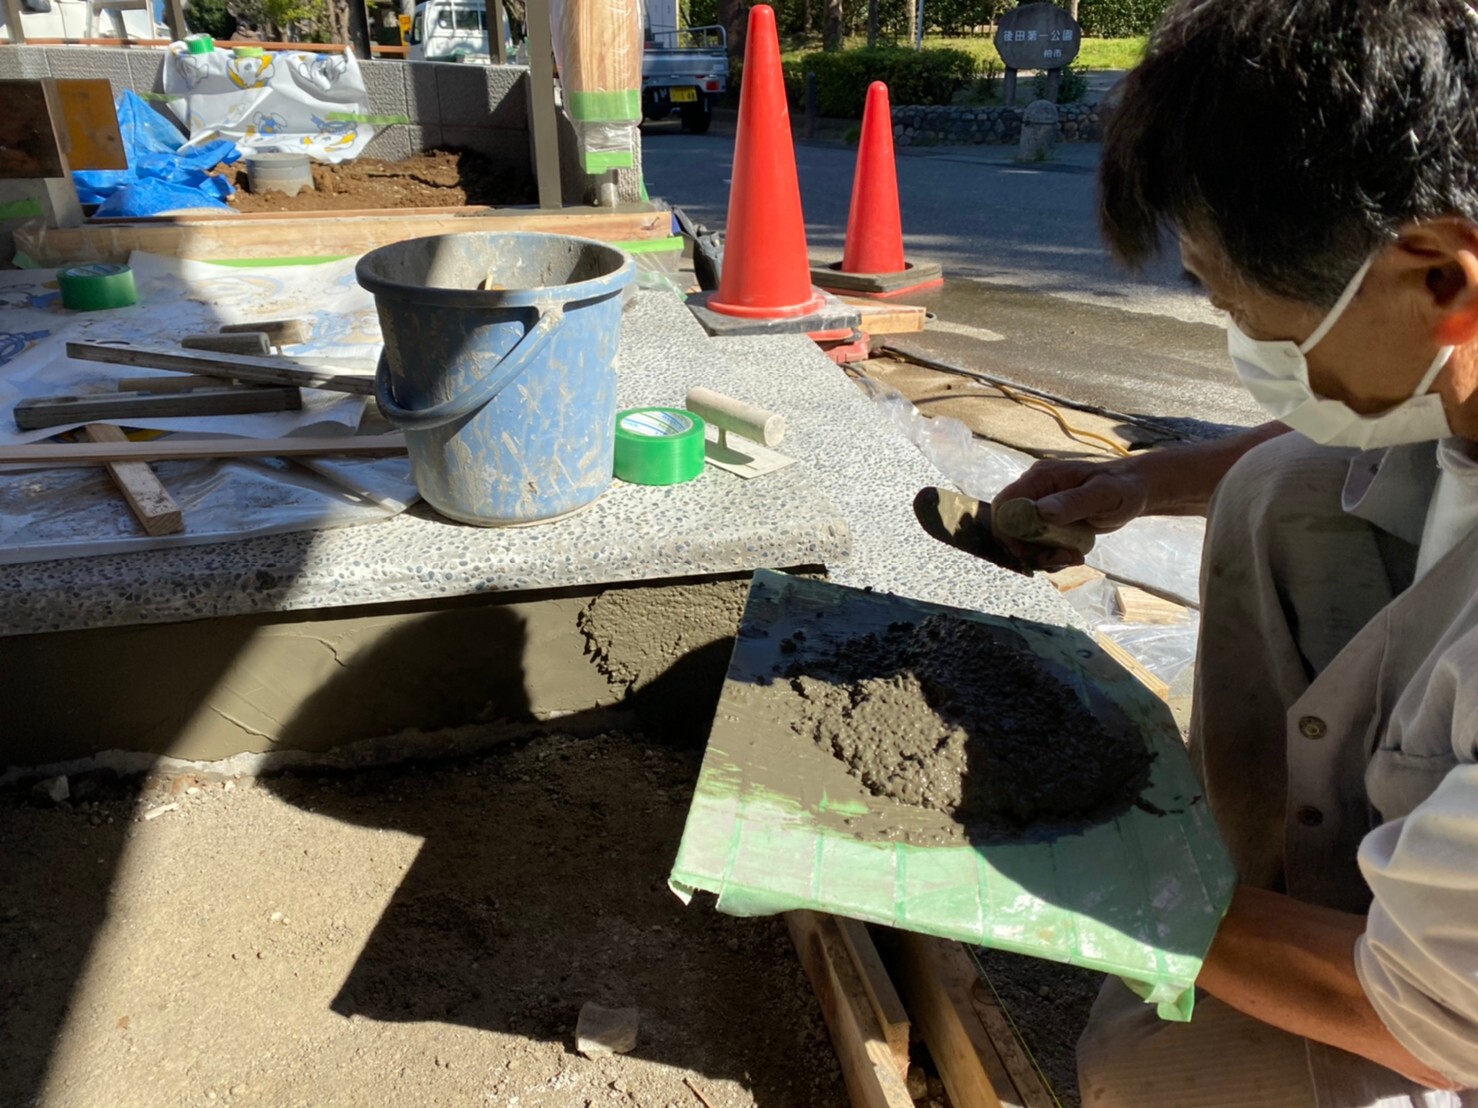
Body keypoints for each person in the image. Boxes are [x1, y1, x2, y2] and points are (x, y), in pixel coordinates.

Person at [989, 1, 1478, 1104]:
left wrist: (1092, 878)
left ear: (1439, 279)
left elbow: (1433, 1019)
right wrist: (1137, 485)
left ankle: (1252, 935)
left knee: (1154, 1077)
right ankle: (1261, 893)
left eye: (1240, 303)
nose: (1245, 338)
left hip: (1452, 1020)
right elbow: (1344, 433)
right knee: (1284, 487)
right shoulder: (1463, 351)